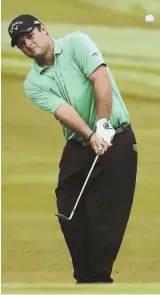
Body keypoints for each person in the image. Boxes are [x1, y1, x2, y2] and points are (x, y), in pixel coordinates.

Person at [8, 14, 138, 283]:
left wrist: (102, 123)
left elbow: (99, 77)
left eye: (30, 35)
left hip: (118, 138)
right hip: (79, 144)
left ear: (43, 29)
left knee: (104, 214)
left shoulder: (77, 43)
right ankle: (84, 276)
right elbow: (64, 111)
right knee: (68, 205)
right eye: (21, 43)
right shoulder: (33, 83)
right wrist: (91, 134)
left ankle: (98, 279)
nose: (27, 44)